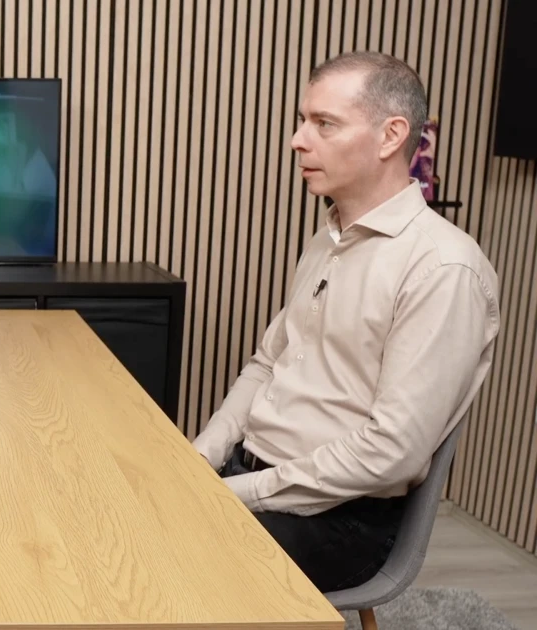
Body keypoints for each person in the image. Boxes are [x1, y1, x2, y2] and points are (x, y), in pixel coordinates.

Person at [193, 51, 499, 593]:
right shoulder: (328, 237)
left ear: (390, 136)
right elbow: (266, 364)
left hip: (341, 517)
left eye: (324, 124)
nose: (298, 140)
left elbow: (392, 452)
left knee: (159, 561)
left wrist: (240, 494)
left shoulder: (444, 268)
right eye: (301, 120)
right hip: (257, 475)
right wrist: (201, 456)